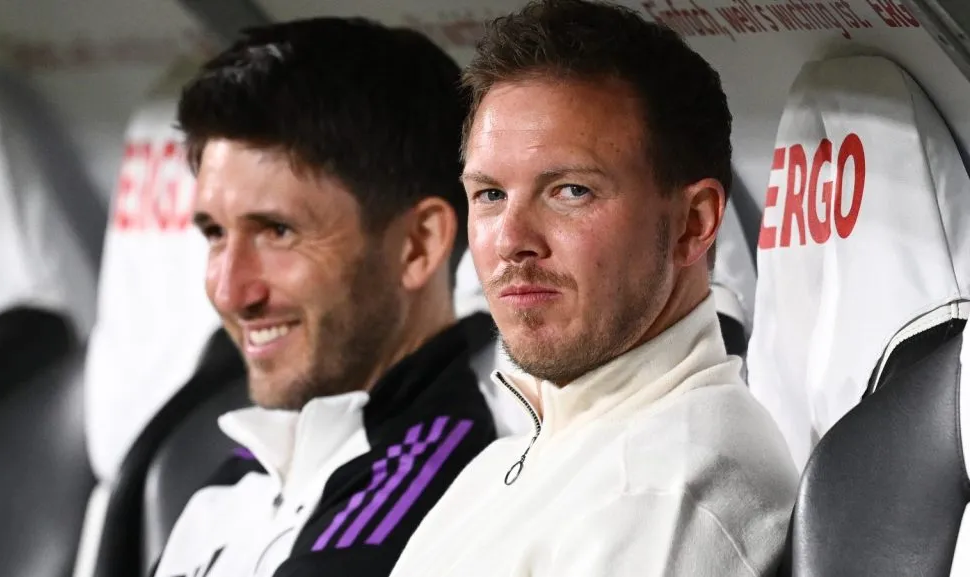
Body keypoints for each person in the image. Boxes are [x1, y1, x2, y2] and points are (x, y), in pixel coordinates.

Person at [389, 1, 798, 576]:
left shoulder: (655, 497)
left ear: (694, 224)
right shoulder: (522, 452)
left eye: (571, 191)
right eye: (490, 194)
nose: (511, 240)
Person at [150, 18, 499, 577]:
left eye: (277, 231)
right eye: (215, 233)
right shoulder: (240, 477)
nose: (229, 290)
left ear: (417, 245)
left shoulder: (449, 498)